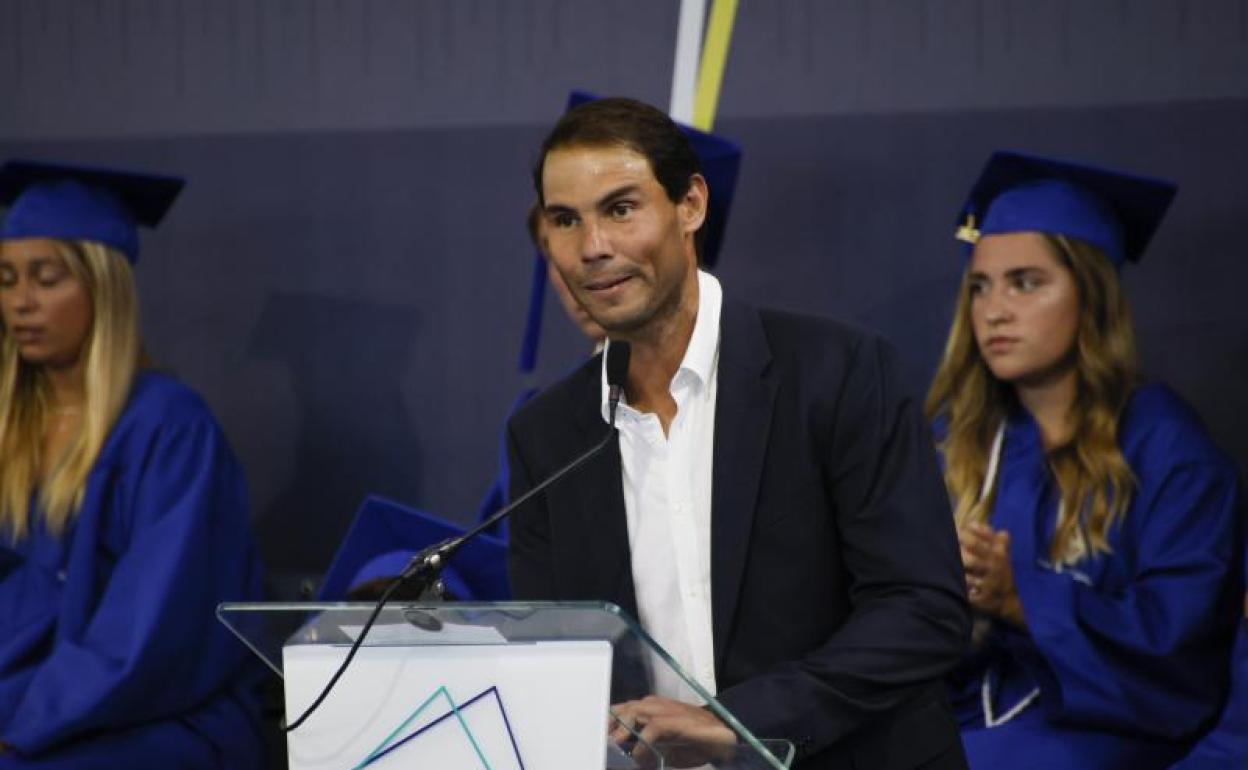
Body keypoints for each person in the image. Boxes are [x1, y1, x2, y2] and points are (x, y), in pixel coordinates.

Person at [506, 97, 970, 769]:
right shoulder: (546, 437)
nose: (593, 247)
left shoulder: (837, 372)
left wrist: (736, 724)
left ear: (690, 205)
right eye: (565, 220)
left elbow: (922, 610)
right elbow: (556, 658)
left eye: (621, 209)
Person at [925, 151, 1245, 768]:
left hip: (1105, 738)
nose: (995, 310)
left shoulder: (1170, 454)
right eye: (980, 287)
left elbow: (1183, 657)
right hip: (967, 719)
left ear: (1091, 294)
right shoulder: (959, 443)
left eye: (1026, 283)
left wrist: (1020, 598)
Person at [0, 160, 265, 768]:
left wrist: (23, 726)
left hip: (157, 717)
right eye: (7, 280)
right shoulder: (11, 429)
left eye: (47, 278)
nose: (21, 303)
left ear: (103, 287)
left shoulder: (170, 428)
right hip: (31, 694)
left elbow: (153, 631)